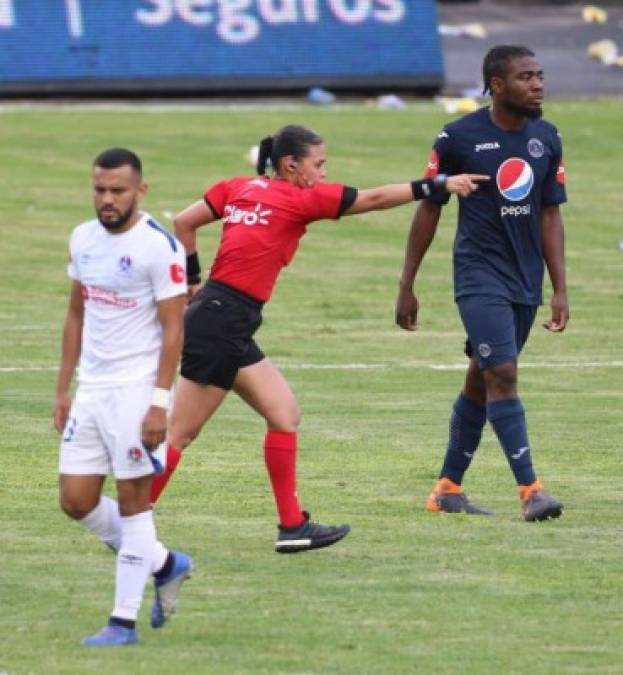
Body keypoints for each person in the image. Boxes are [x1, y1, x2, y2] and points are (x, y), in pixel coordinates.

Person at [147, 124, 487, 552]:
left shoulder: (237, 187)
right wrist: (437, 183)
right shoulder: (300, 198)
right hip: (222, 322)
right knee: (180, 432)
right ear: (292, 166)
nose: (324, 174)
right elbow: (374, 199)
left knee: (284, 413)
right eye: (319, 165)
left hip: (221, 316)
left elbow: (184, 222)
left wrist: (193, 280)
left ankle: (292, 527)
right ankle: (132, 520)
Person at [395, 45, 568, 521]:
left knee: (481, 378)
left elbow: (550, 214)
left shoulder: (546, 138)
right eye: (525, 76)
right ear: (496, 85)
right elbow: (429, 207)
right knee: (503, 375)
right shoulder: (458, 136)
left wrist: (559, 287)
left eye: (539, 74)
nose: (537, 84)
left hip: (525, 280)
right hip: (478, 276)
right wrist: (407, 282)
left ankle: (447, 489)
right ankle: (531, 491)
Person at [54, 148, 192, 647]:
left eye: (118, 191)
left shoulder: (159, 246)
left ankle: (122, 621)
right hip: (91, 390)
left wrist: (159, 401)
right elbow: (76, 315)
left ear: (140, 191)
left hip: (136, 391)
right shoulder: (82, 239)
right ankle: (164, 563)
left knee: (136, 506)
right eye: (100, 190)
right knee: (75, 500)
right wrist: (63, 387)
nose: (108, 200)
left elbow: (174, 330)